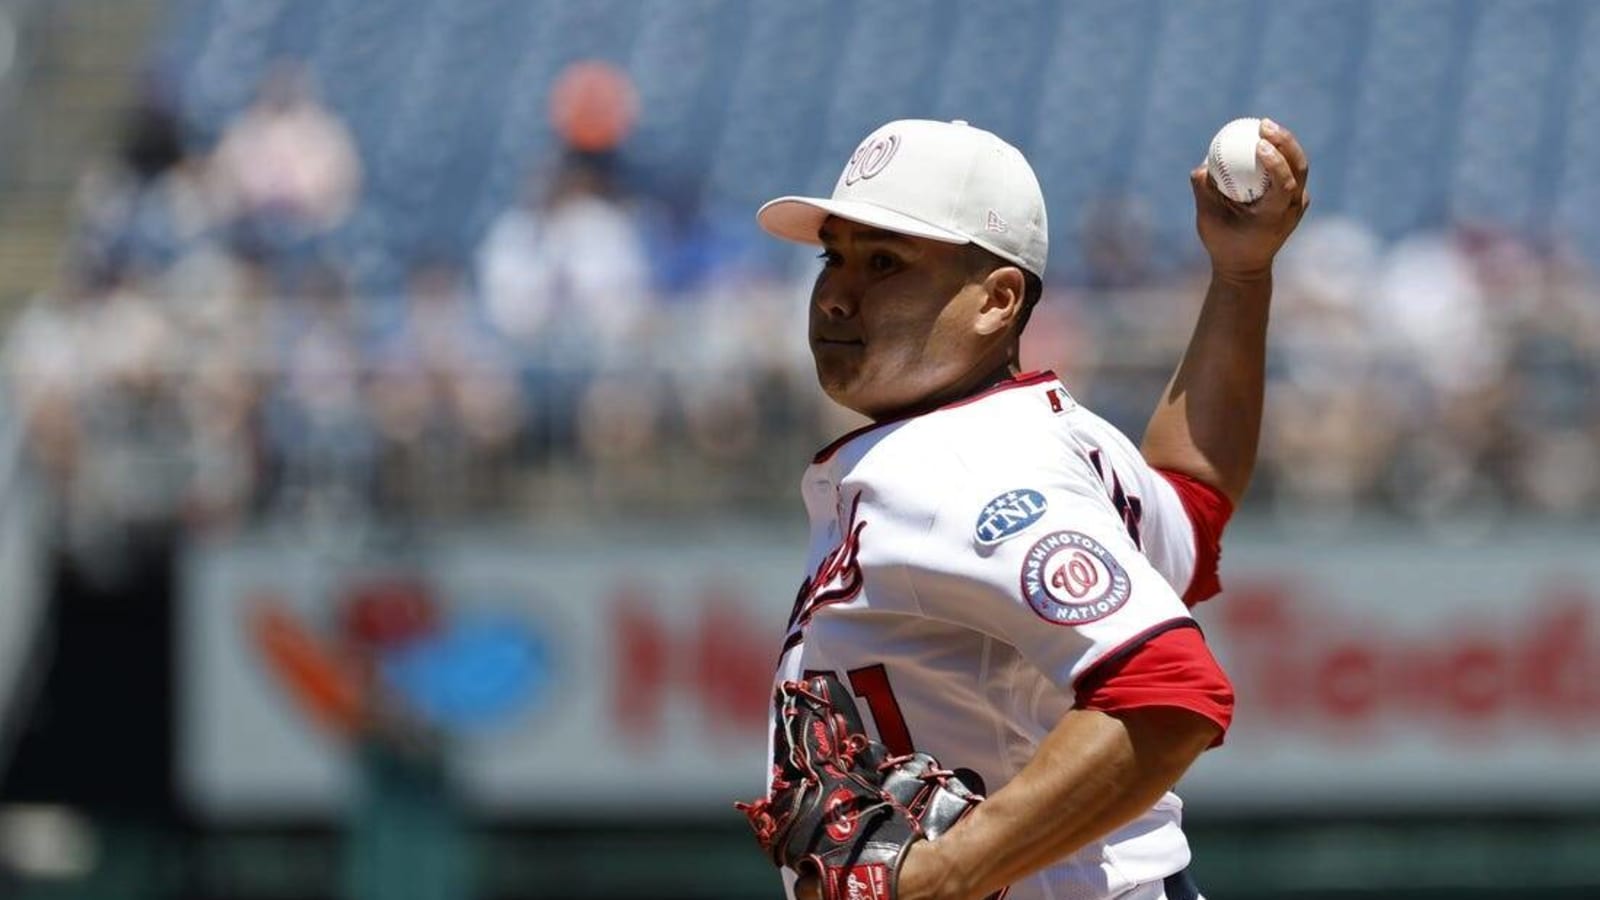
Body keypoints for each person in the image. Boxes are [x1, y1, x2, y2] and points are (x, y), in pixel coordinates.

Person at [749, 117, 1309, 900]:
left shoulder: (961, 465)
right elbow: (1192, 498)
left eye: (884, 263)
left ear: (996, 301)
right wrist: (1241, 279)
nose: (838, 295)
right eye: (832, 256)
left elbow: (1170, 692)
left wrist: (946, 872)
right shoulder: (1062, 440)